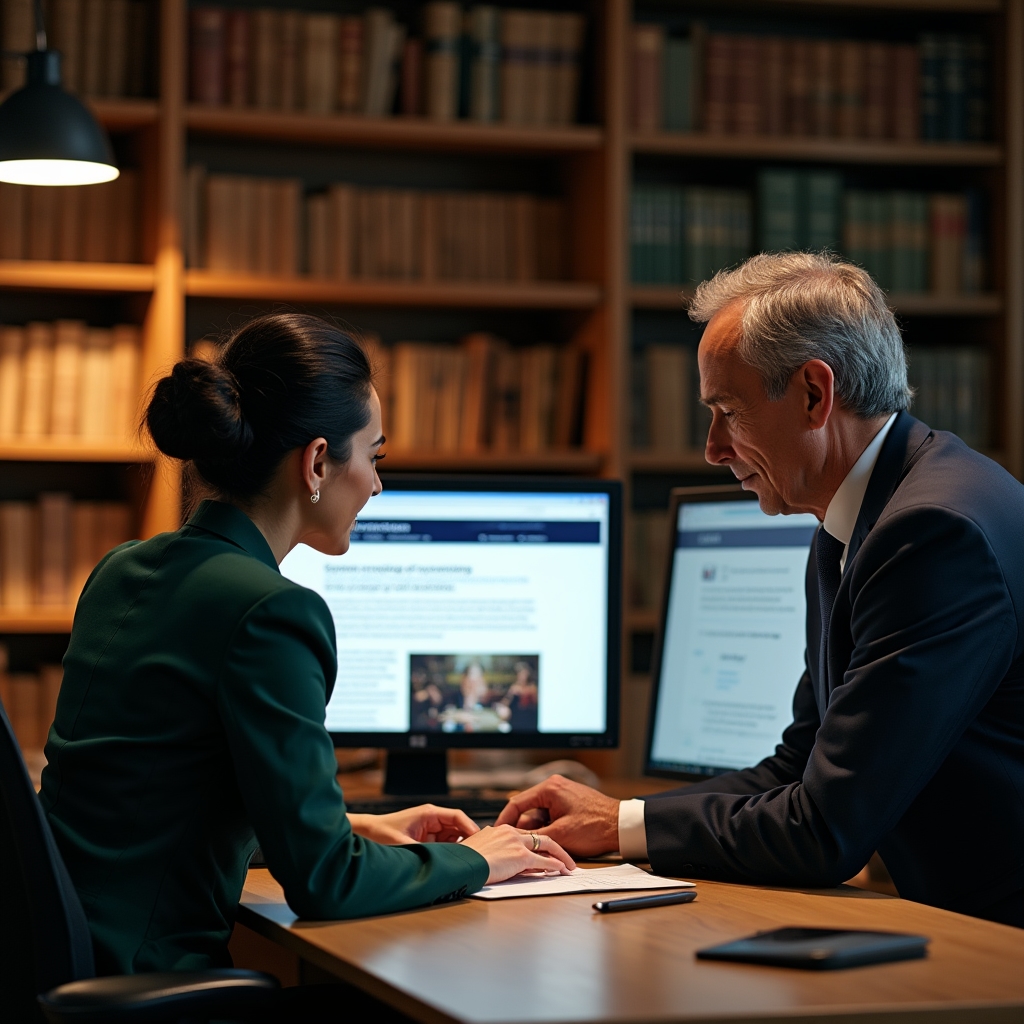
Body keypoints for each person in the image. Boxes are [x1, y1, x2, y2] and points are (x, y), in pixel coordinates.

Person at [497, 252, 1024, 928]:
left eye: (727, 411)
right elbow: (801, 764)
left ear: (813, 393)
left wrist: (621, 825)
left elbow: (823, 830)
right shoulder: (856, 518)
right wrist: (620, 819)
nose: (713, 448)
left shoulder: (929, 534)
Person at [40, 313, 574, 980]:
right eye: (373, 457)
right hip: (148, 973)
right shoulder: (272, 611)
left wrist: (353, 826)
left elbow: (157, 802)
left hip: (57, 955)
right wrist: (482, 858)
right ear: (318, 462)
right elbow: (325, 885)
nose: (378, 485)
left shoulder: (122, 569)